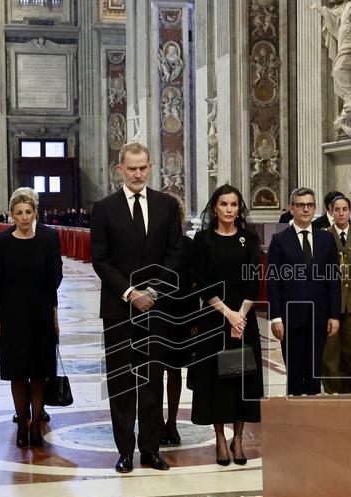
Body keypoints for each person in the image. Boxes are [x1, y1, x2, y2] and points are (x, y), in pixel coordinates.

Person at [90, 142, 183, 473]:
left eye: (143, 167)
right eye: (132, 168)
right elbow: (99, 259)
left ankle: (151, 449)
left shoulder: (166, 206)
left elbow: (175, 253)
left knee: (152, 381)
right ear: (120, 170)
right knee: (121, 382)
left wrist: (153, 292)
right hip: (119, 309)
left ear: (151, 168)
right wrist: (130, 292)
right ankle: (125, 450)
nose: (138, 173)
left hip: (156, 309)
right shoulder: (103, 208)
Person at [189, 185, 263, 465]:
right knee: (216, 382)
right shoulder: (204, 240)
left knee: (241, 380)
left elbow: (253, 281)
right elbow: (200, 281)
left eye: (234, 204)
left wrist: (240, 316)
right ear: (215, 208)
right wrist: (227, 314)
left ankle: (238, 438)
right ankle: (220, 438)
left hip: (243, 320)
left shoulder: (249, 239)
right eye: (224, 204)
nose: (229, 209)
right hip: (213, 320)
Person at [0, 187, 63, 447]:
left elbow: (56, 277)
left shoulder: (49, 237)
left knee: (39, 371)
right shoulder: (3, 240)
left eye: (28, 212)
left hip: (41, 311)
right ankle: (22, 423)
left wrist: (54, 314)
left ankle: (35, 425)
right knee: (17, 371)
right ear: (11, 214)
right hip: (12, 313)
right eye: (18, 213)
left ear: (35, 213)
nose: (23, 217)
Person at [267, 187, 341, 396]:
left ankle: (311, 414)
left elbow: (333, 279)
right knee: (295, 370)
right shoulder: (280, 240)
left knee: (314, 371)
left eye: (310, 205)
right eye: (300, 205)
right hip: (291, 317)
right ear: (291, 208)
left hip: (319, 315)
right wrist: (276, 318)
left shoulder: (326, 240)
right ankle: (295, 416)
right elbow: (273, 281)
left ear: (315, 208)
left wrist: (334, 315)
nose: (306, 209)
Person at [158, 195, 195, 446]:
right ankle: (156, 422)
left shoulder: (188, 246)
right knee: (153, 371)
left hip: (181, 314)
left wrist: (194, 319)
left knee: (175, 371)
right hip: (155, 313)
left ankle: (171, 422)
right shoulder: (152, 245)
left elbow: (194, 284)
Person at [321, 195, 351, 394]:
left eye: (345, 209)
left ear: (350, 211)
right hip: (330, 304)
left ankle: (345, 393)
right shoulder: (324, 235)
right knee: (329, 352)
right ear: (331, 211)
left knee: (348, 352)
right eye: (337, 209)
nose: (341, 213)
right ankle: (331, 393)